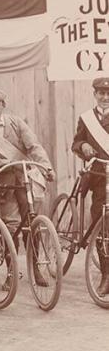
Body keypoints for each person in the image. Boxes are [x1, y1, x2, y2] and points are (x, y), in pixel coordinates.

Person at [0, 88, 54, 290]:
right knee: (11, 226)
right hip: (4, 182)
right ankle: (11, 273)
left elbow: (33, 146)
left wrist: (46, 166)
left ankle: (35, 269)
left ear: (3, 106)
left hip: (26, 179)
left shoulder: (16, 123)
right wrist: (4, 161)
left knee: (32, 222)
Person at [71, 77, 109, 295]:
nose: (105, 97)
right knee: (100, 225)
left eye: (108, 94)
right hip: (97, 177)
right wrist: (83, 145)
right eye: (101, 93)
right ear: (95, 94)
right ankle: (106, 275)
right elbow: (75, 142)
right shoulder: (86, 118)